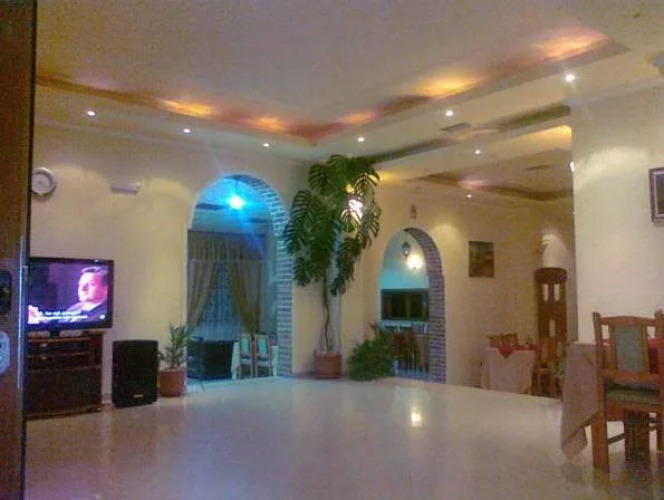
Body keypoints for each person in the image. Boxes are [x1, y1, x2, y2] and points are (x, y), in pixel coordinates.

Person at [28, 266, 109, 324]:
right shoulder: (76, 307)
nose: (82, 289)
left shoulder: (104, 314)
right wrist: (38, 318)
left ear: (105, 289)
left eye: (91, 284)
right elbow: (60, 324)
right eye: (80, 284)